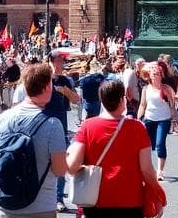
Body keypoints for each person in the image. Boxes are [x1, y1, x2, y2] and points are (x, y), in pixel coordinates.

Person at [66, 78, 162, 218]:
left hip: (95, 201)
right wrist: (156, 192)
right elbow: (147, 170)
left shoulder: (88, 126)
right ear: (122, 100)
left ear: (102, 100)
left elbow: (72, 166)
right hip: (130, 202)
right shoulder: (137, 128)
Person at [0, 62, 67, 218]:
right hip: (41, 207)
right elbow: (60, 170)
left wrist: (4, 188)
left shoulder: (2, 119)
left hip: (7, 207)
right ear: (47, 87)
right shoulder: (52, 124)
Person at [46, 49, 80, 210]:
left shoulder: (65, 81)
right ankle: (45, 196)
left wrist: (65, 91)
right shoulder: (44, 78)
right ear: (51, 61)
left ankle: (58, 198)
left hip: (61, 124)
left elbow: (76, 100)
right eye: (59, 60)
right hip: (44, 123)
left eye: (62, 61)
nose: (61, 63)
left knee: (60, 161)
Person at [138, 61, 177, 181]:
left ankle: (160, 171)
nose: (155, 76)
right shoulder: (146, 89)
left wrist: (174, 118)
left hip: (163, 119)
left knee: (160, 143)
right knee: (148, 145)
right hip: (149, 118)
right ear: (149, 76)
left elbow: (172, 104)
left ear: (162, 75)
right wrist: (138, 118)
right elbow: (142, 105)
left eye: (157, 74)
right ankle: (148, 168)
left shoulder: (166, 88)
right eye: (153, 74)